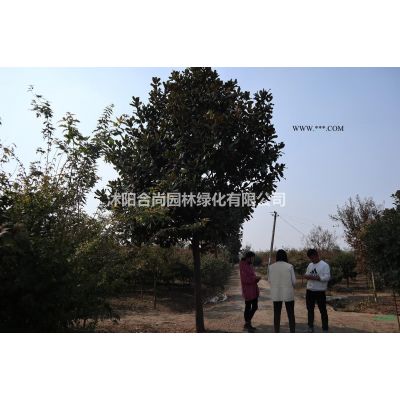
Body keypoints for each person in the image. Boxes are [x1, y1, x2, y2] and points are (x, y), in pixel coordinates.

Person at [268, 249, 296, 333]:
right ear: (285, 256)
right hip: (288, 293)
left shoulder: (271, 267)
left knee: (277, 314)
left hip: (276, 293)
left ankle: (276, 331)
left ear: (277, 257)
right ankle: (292, 332)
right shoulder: (289, 266)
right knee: (291, 314)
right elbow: (294, 281)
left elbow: (269, 280)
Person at [304, 249, 331, 332]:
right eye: (310, 258)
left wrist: (317, 278)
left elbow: (327, 277)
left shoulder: (324, 265)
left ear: (317, 255)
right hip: (310, 291)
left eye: (313, 258)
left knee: (323, 310)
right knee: (310, 310)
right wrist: (306, 276)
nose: (312, 260)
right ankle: (310, 327)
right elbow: (307, 274)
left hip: (320, 291)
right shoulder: (310, 265)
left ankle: (325, 328)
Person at [239, 251, 261, 332]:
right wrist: (255, 279)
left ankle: (247, 323)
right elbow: (245, 279)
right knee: (248, 307)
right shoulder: (243, 265)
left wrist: (256, 279)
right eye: (252, 258)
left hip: (253, 289)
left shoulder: (249, 265)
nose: (253, 259)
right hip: (247, 290)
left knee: (254, 307)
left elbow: (251, 276)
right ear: (248, 257)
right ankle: (247, 323)